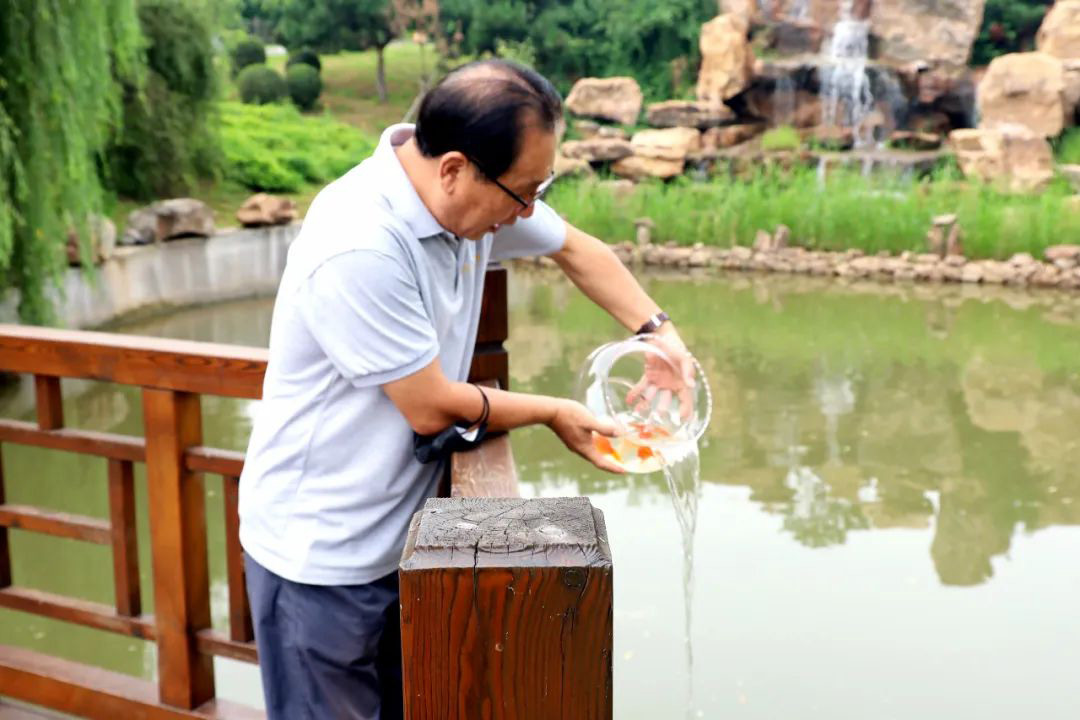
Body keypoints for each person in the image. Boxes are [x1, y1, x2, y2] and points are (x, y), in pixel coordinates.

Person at [238, 59, 694, 720]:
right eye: (522, 193)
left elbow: (579, 250)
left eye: (542, 187)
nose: (530, 211)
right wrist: (555, 411)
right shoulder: (359, 242)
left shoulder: (469, 195)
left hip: (402, 540)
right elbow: (428, 405)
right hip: (322, 556)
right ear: (454, 168)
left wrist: (660, 337)